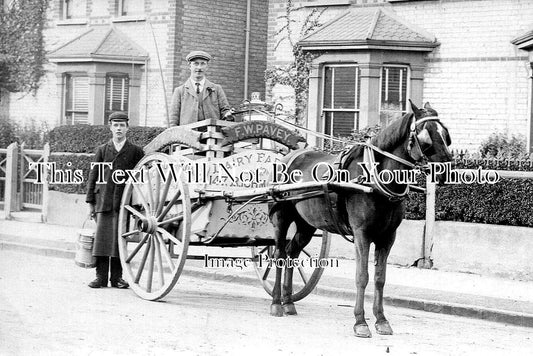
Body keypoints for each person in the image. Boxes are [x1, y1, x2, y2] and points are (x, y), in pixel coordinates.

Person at [85, 112, 144, 289]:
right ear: (110, 127)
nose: (119, 129)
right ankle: (101, 277)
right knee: (102, 240)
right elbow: (93, 176)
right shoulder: (103, 150)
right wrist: (90, 203)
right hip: (104, 200)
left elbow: (141, 178)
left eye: (122, 125)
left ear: (127, 128)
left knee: (119, 240)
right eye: (115, 125)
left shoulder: (135, 151)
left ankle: (117, 278)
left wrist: (139, 205)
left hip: (123, 203)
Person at [169, 50, 234, 126]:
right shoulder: (180, 91)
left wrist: (228, 115)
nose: (199, 67)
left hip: (212, 134)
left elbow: (225, 112)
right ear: (189, 66)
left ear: (207, 67)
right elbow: (173, 120)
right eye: (196, 64)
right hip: (188, 135)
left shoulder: (217, 89)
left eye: (203, 64)